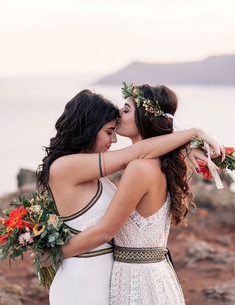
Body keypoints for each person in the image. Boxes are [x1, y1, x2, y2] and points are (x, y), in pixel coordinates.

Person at [60, 84, 224, 305]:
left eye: (126, 110)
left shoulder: (140, 168)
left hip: (136, 281)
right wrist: (186, 142)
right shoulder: (163, 162)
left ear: (144, 118)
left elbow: (106, 230)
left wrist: (56, 253)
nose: (118, 114)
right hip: (156, 275)